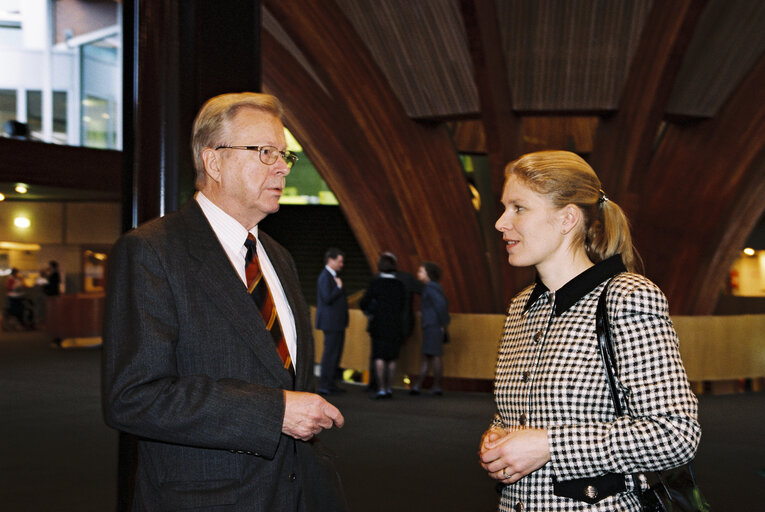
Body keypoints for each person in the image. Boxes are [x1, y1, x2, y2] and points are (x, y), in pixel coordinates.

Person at [102, 92, 348, 511]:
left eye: (285, 156)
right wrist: (275, 412)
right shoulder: (153, 251)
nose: (282, 168)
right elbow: (133, 397)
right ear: (214, 161)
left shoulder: (279, 257)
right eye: (266, 153)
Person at [479, 150, 700, 511]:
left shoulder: (627, 297)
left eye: (519, 208)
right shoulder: (521, 306)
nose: (501, 222)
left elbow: (675, 433)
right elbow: (520, 415)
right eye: (504, 208)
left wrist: (549, 445)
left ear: (567, 218)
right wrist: (499, 435)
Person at [360, 253, 406, 399]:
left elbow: (364, 302)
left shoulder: (375, 284)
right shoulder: (400, 285)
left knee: (379, 356)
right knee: (392, 357)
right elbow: (404, 305)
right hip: (395, 325)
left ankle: (381, 389)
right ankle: (389, 388)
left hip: (378, 324)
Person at [409, 262, 450, 396]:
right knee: (431, 355)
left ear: (428, 274)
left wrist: (443, 322)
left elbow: (440, 306)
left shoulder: (430, 288)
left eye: (421, 271)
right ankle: (423, 385)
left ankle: (425, 385)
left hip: (432, 326)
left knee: (431, 356)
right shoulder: (434, 287)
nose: (418, 274)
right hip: (434, 325)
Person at [315, 247, 349, 395]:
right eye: (340, 261)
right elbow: (327, 298)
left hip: (336, 322)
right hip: (331, 322)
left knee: (335, 354)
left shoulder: (331, 276)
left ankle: (330, 383)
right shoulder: (325, 277)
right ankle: (324, 385)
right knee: (330, 354)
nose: (342, 264)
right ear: (331, 260)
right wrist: (339, 287)